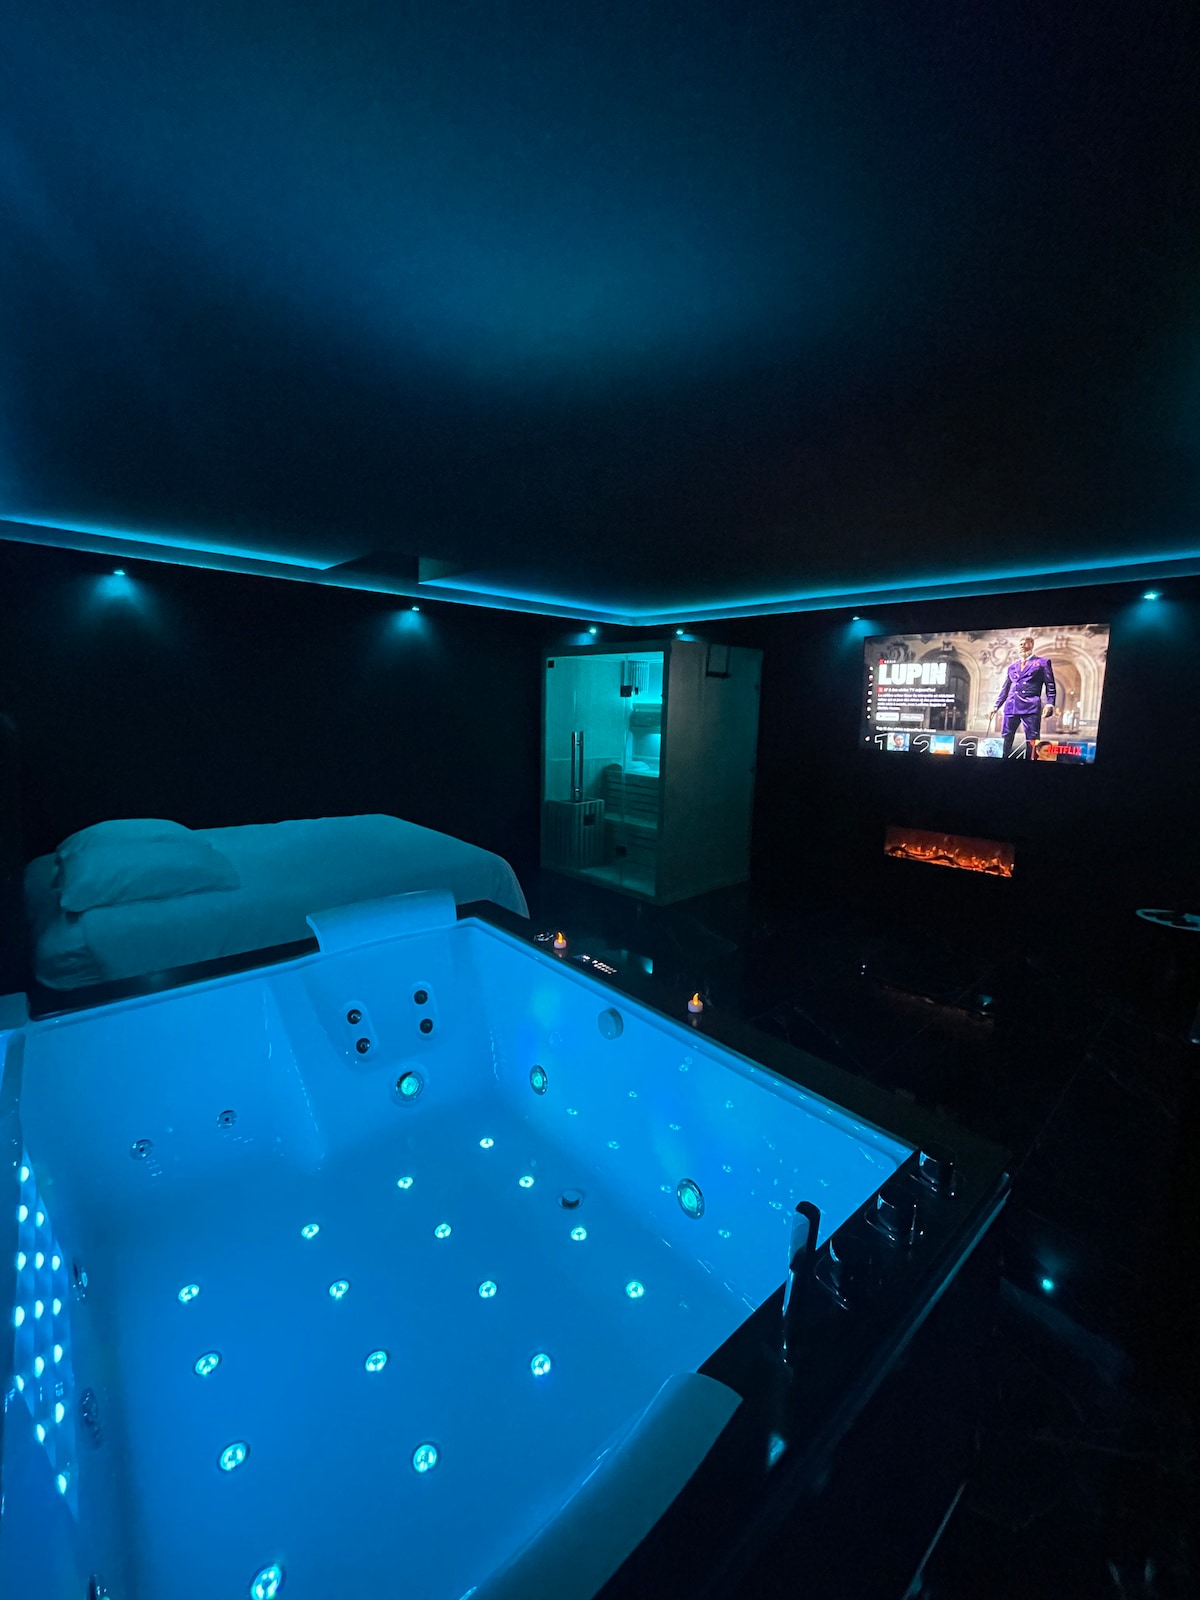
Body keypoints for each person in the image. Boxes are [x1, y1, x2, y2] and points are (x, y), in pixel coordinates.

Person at [989, 635, 1057, 758]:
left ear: (1032, 645)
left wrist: (1050, 704)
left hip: (1030, 705)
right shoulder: (1012, 667)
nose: (1022, 645)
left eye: (1025, 643)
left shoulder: (1042, 663)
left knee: (1032, 739)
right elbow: (1005, 688)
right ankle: (1002, 762)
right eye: (1020, 643)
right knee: (1005, 738)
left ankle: (1031, 765)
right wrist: (996, 706)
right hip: (1011, 705)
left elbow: (1050, 685)